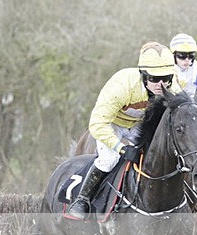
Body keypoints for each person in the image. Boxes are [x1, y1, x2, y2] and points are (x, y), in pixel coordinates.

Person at [65, 42, 181, 220]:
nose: (161, 84)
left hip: (139, 124)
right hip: (112, 124)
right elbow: (97, 124)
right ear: (143, 75)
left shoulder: (172, 87)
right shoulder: (121, 87)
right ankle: (82, 200)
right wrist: (121, 148)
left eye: (166, 78)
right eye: (154, 79)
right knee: (109, 159)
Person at [169, 33, 197, 100]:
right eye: (182, 56)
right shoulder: (167, 68)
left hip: (191, 102)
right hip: (171, 101)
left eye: (191, 56)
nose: (187, 60)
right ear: (173, 55)